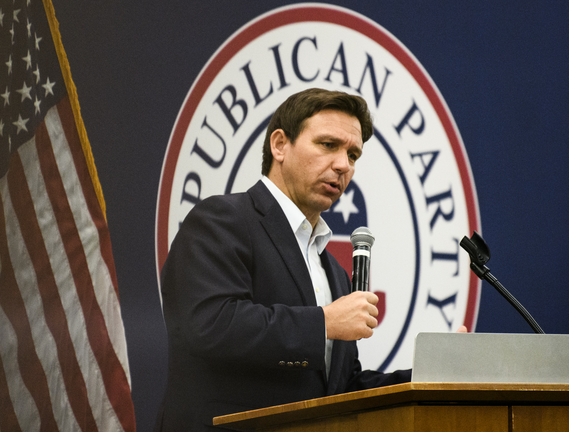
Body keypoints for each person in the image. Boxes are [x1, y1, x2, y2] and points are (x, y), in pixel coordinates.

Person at [156, 88, 413, 431]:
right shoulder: (221, 219)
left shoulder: (334, 272)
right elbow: (210, 325)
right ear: (279, 145)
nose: (343, 165)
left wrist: (430, 377)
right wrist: (324, 323)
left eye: (353, 154)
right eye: (328, 145)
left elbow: (340, 388)